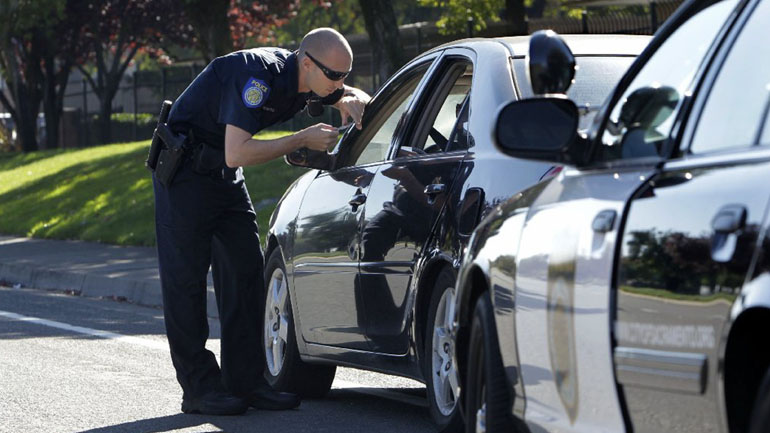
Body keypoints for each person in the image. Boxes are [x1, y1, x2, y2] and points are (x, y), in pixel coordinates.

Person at [152, 27, 370, 416]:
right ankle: (199, 388)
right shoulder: (256, 75)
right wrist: (301, 138)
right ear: (307, 63)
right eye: (335, 76)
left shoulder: (310, 76)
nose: (340, 83)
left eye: (345, 75)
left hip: (223, 180)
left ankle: (247, 383)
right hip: (185, 176)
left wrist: (350, 98)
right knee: (185, 285)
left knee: (246, 275)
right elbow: (237, 152)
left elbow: (349, 93)